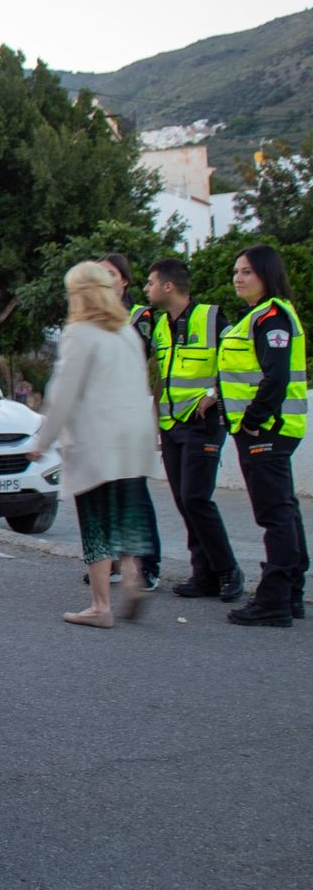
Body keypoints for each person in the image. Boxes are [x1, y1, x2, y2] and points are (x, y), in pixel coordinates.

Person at [27, 262, 161, 629]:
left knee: (97, 520)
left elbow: (63, 393)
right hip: (132, 438)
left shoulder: (80, 332)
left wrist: (43, 440)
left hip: (96, 439)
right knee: (128, 513)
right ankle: (133, 579)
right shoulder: (126, 333)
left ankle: (101, 606)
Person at [142, 258, 244, 603]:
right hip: (172, 425)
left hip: (203, 423)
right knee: (185, 501)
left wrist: (214, 394)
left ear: (168, 286)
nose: (147, 289)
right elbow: (161, 374)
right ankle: (205, 575)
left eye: (151, 282)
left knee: (196, 498)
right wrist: (156, 418)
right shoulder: (159, 325)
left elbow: (238, 361)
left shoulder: (212, 317)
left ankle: (229, 571)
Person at [218, 244, 308, 627]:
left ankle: (274, 600)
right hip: (268, 430)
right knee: (284, 510)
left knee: (274, 515)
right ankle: (290, 595)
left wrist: (253, 420)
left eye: (247, 272)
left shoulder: (271, 317)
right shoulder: (259, 316)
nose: (238, 278)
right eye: (236, 271)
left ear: (266, 275)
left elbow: (276, 376)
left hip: (266, 430)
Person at [96, 252, 164, 589]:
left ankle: (147, 566)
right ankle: (108, 564)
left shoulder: (141, 316)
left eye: (110, 273)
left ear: (124, 280)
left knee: (133, 490)